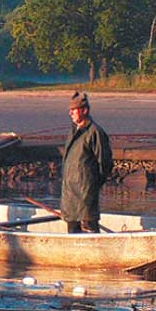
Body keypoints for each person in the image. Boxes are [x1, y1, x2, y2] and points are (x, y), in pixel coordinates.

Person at [61, 91, 113, 234]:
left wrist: (91, 185)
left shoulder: (95, 132)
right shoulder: (74, 130)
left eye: (73, 110)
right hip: (70, 194)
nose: (70, 113)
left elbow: (105, 163)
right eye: (70, 110)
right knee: (72, 232)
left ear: (84, 110)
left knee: (90, 230)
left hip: (85, 195)